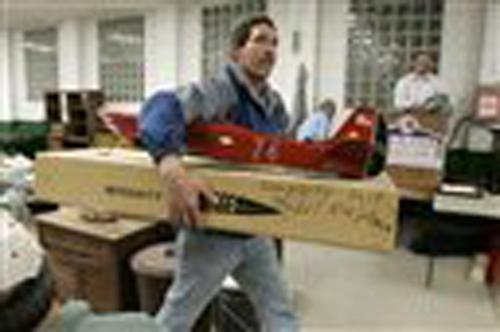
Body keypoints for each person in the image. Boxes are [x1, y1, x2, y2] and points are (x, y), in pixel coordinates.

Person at [139, 14, 299, 332]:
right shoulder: (220, 90)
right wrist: (171, 169)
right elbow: (159, 108)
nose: (269, 50)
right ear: (236, 52)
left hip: (255, 228)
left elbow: (282, 151)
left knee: (279, 310)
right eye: (260, 40)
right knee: (177, 318)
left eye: (274, 43)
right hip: (214, 231)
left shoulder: (274, 104)